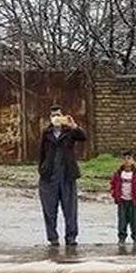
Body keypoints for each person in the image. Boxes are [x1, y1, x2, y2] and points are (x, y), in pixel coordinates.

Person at [37, 104, 87, 247]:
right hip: (49, 176)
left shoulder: (69, 131)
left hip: (67, 175)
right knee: (49, 209)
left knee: (70, 208)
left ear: (63, 116)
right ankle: (52, 238)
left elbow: (83, 137)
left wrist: (74, 126)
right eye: (53, 116)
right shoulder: (46, 133)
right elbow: (42, 153)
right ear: (50, 118)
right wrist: (42, 170)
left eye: (58, 115)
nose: (56, 118)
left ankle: (71, 237)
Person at [108, 151, 136, 245]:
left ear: (133, 161)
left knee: (134, 220)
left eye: (129, 159)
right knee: (122, 220)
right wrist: (115, 195)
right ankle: (122, 238)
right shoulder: (118, 174)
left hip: (133, 201)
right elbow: (112, 185)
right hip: (122, 200)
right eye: (124, 159)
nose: (127, 161)